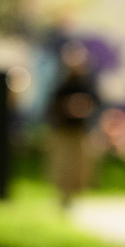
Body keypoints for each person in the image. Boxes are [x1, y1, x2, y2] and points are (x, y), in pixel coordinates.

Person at [46, 40, 99, 206]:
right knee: (63, 166)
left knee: (80, 169)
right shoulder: (60, 82)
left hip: (81, 131)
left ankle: (75, 199)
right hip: (63, 131)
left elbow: (97, 104)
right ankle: (64, 198)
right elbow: (52, 106)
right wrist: (67, 108)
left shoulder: (88, 83)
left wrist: (84, 108)